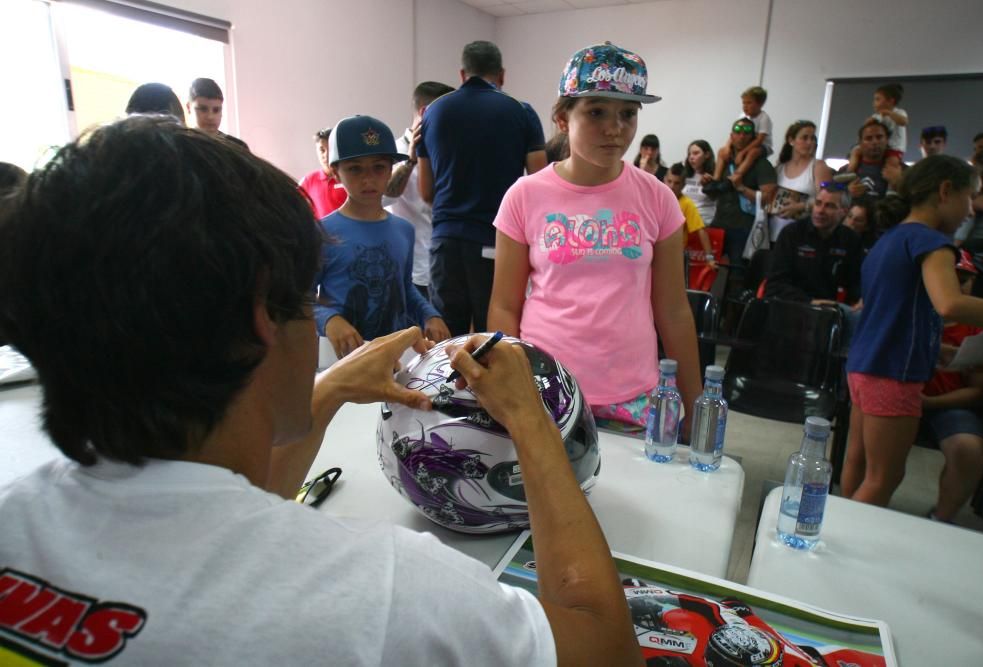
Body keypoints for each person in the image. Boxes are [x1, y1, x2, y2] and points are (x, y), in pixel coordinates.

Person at [0, 116, 641, 665]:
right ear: (263, 323)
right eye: (305, 301)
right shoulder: (383, 594)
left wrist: (330, 388)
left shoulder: (15, 518)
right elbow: (607, 650)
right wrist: (529, 421)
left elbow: (211, 522)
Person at [488, 42, 701, 434]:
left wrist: (695, 404)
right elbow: (504, 306)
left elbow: (673, 310)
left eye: (627, 114)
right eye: (596, 111)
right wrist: (510, 386)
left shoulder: (657, 198)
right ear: (563, 118)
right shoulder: (525, 196)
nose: (615, 128)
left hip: (633, 397)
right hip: (546, 392)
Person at [842, 155, 983, 508]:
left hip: (864, 366)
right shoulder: (932, 243)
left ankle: (835, 527)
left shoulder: (891, 238)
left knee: (858, 462)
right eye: (969, 198)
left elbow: (895, 311)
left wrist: (936, 348)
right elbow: (950, 304)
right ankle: (846, 542)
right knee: (884, 477)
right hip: (893, 373)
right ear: (946, 191)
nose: (972, 210)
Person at [417, 40, 546, 337]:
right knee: (494, 339)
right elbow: (539, 183)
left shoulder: (434, 113)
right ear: (502, 75)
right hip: (497, 243)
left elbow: (427, 192)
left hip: (446, 242)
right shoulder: (520, 111)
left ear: (463, 74)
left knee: (446, 341)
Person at [315, 115, 449, 358]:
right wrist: (330, 320)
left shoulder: (404, 230)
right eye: (355, 169)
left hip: (395, 354)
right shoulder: (321, 232)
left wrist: (430, 314)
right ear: (335, 172)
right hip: (341, 359)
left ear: (390, 170)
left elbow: (404, 289)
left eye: (378, 167)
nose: (368, 179)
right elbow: (299, 300)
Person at [921, 251, 983, 523]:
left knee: (970, 448)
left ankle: (941, 518)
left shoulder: (981, 327)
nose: (960, 285)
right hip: (899, 397)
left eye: (965, 279)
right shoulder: (914, 313)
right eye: (953, 278)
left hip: (948, 406)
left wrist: (930, 403)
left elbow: (979, 390)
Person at [384, 82, 455, 300]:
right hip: (410, 272)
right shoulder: (393, 151)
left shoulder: (449, 150)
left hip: (448, 267)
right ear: (426, 113)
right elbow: (383, 197)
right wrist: (411, 161)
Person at [764, 184, 863, 306]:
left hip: (831, 309)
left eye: (829, 206)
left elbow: (855, 283)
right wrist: (809, 302)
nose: (820, 211)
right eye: (818, 203)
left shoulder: (850, 240)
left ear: (844, 212)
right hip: (793, 306)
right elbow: (775, 285)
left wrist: (860, 299)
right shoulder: (792, 233)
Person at [706, 117, 777, 268]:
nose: (741, 136)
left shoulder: (762, 164)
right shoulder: (723, 160)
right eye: (737, 132)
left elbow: (770, 198)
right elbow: (713, 196)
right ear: (731, 136)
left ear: (753, 137)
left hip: (744, 228)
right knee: (709, 270)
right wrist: (708, 184)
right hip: (718, 224)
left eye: (746, 132)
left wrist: (742, 188)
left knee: (738, 274)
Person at [767, 120, 834, 241]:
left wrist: (801, 206)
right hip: (774, 232)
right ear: (791, 140)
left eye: (813, 138)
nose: (810, 142)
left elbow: (828, 199)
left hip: (802, 234)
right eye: (805, 138)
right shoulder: (779, 168)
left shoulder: (818, 167)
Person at [713, 86, 772, 185]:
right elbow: (734, 133)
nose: (745, 106)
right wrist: (727, 147)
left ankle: (737, 174)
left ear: (760, 104)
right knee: (722, 151)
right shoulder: (743, 116)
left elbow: (759, 140)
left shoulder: (764, 118)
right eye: (744, 103)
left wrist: (742, 153)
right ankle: (715, 179)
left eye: (749, 103)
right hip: (746, 144)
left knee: (753, 153)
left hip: (762, 146)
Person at [664, 162, 718, 271]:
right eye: (669, 181)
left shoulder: (687, 204)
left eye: (676, 183)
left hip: (674, 255)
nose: (671, 186)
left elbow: (701, 230)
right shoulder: (655, 198)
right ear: (664, 180)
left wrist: (709, 258)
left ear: (683, 185)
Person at [847, 83, 907, 174]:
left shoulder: (899, 112)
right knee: (855, 151)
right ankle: (849, 172)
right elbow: (866, 127)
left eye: (878, 99)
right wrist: (869, 121)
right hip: (883, 147)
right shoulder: (878, 116)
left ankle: (890, 185)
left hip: (895, 147)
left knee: (892, 163)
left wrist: (888, 113)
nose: (874, 103)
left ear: (890, 101)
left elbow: (903, 121)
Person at [186, 77, 249, 150]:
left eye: (216, 110)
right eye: (203, 109)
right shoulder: (179, 148)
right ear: (189, 108)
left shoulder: (238, 147)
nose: (210, 117)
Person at [298, 128, 347, 218]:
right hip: (321, 231)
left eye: (331, 150)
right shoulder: (308, 181)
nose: (326, 155)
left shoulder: (349, 177)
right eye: (322, 150)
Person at [845, 118, 892, 203]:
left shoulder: (900, 171)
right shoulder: (846, 170)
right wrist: (847, 193)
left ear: (887, 140)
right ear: (860, 143)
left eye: (879, 137)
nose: (874, 142)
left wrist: (898, 184)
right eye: (868, 138)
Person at [682, 139, 717, 226]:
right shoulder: (685, 175)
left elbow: (715, 198)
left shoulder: (715, 174)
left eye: (696, 153)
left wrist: (709, 185)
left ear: (707, 155)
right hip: (685, 221)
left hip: (705, 222)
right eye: (689, 154)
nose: (691, 157)